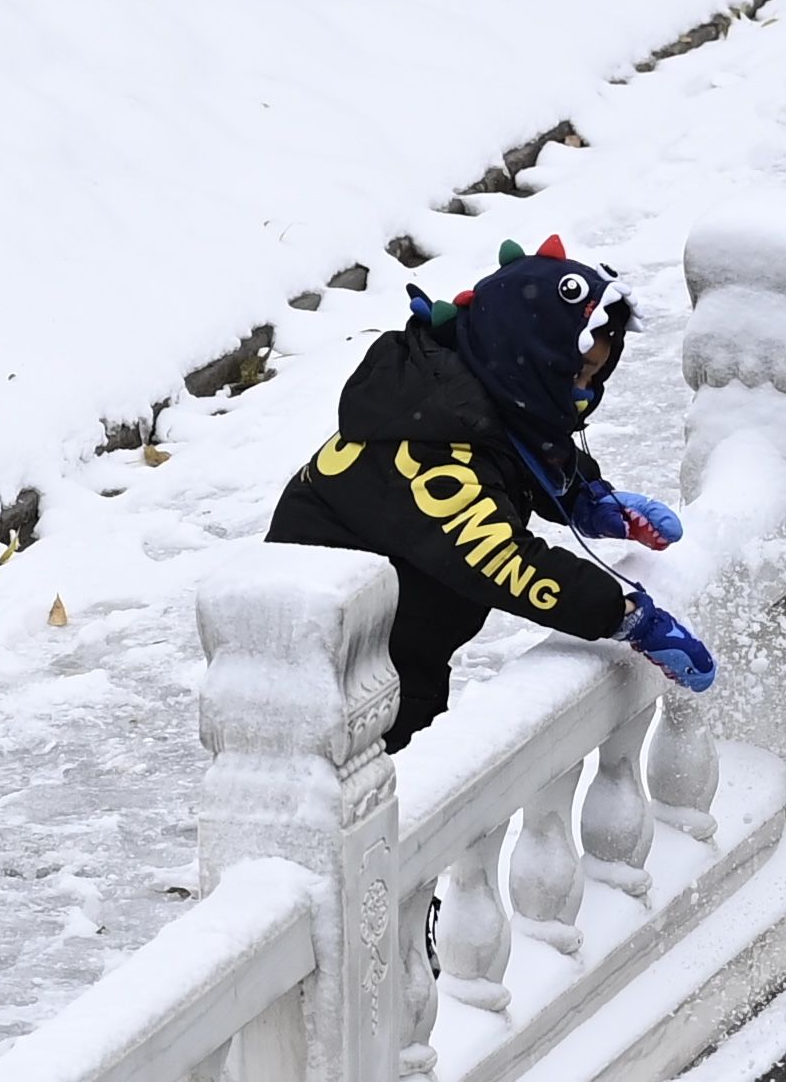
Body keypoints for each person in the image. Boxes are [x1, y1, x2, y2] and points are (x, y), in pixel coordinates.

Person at [267, 235, 716, 748]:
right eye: (575, 375)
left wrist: (584, 498)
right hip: (331, 671)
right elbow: (504, 560)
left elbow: (516, 451)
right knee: (383, 805)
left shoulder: (461, 387)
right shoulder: (428, 454)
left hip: (398, 650)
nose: (584, 394)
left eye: (595, 377)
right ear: (530, 361)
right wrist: (626, 615)